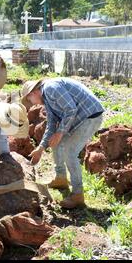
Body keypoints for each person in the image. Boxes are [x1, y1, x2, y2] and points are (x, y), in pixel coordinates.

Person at [21, 78, 104, 209]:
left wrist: (60, 133)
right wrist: (41, 147)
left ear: (33, 93)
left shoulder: (50, 88)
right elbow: (52, 125)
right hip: (81, 117)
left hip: (91, 116)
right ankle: (61, 179)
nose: (32, 104)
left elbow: (70, 109)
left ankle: (77, 195)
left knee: (69, 152)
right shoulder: (47, 99)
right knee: (56, 142)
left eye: (30, 100)